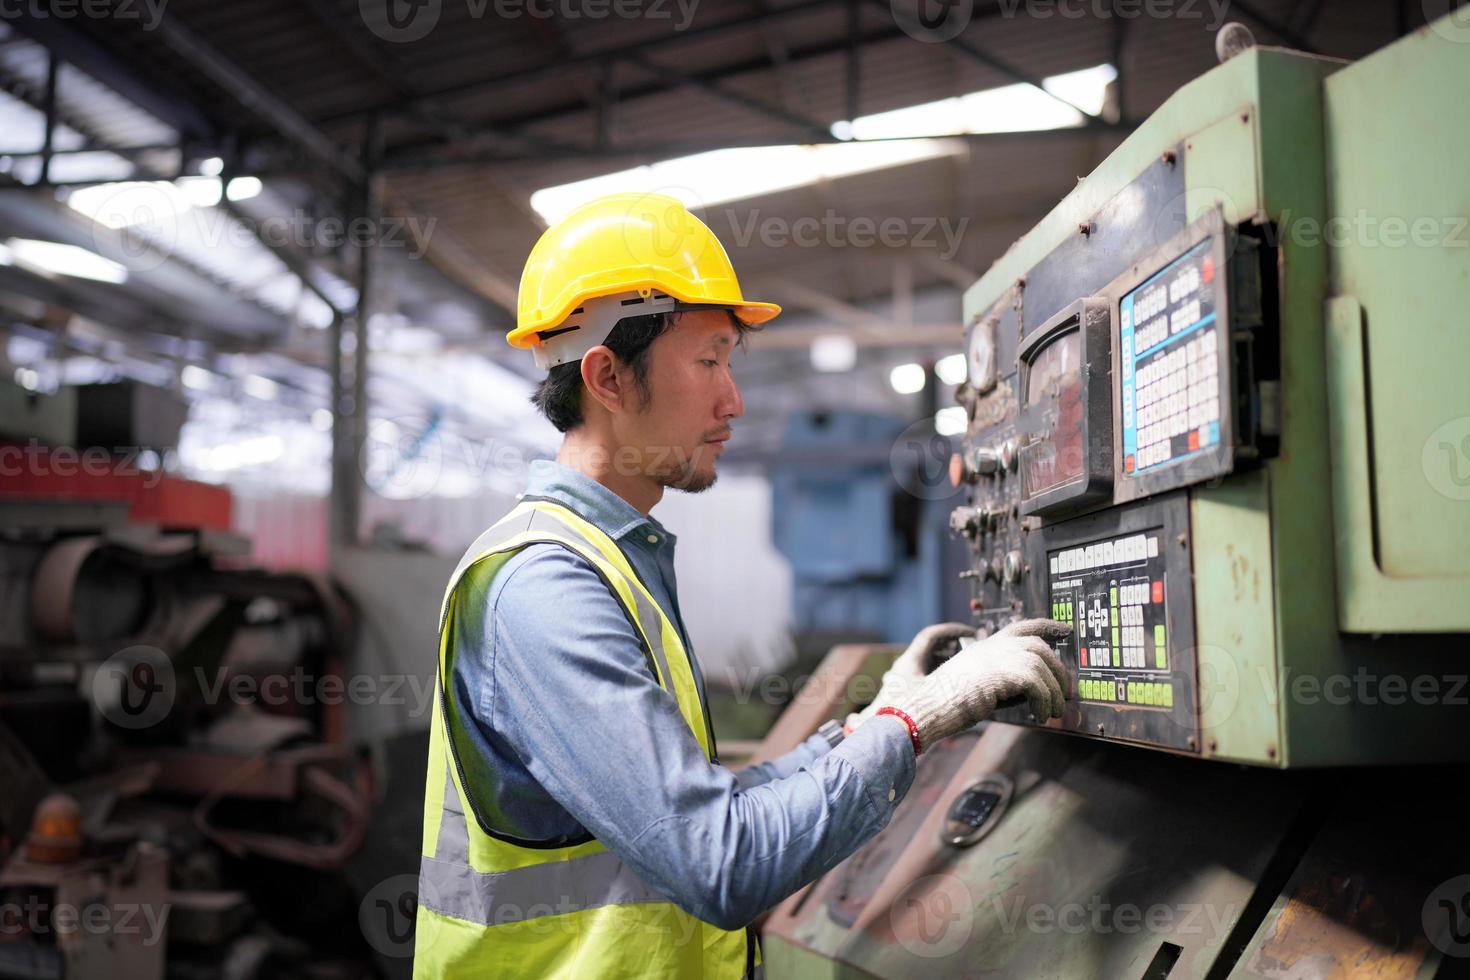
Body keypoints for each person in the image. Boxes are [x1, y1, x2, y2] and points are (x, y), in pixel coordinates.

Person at [412, 192, 1069, 979]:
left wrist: (868, 725)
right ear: (609, 377)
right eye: (709, 360)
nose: (735, 399)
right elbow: (719, 859)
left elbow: (698, 805)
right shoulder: (545, 588)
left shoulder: (613, 558)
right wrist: (913, 723)